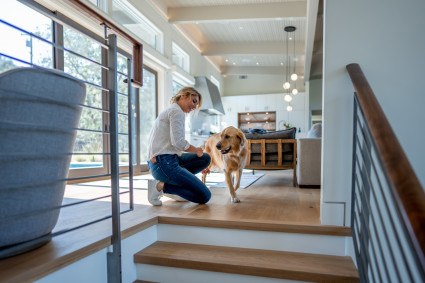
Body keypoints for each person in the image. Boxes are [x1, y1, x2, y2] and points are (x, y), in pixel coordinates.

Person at [146, 87, 211, 206]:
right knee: (205, 196)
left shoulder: (173, 110)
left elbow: (174, 145)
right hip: (163, 164)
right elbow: (179, 142)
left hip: (164, 161)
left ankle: (177, 185)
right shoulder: (177, 111)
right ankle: (161, 186)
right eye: (194, 101)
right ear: (183, 96)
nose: (194, 107)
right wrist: (196, 150)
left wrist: (197, 153)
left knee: (205, 158)